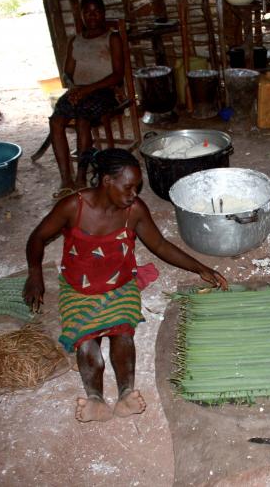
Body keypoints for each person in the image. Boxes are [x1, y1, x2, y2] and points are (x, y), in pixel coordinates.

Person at [23, 148, 228, 422]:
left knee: (122, 334)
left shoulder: (134, 211)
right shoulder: (74, 206)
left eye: (137, 187)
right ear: (107, 181)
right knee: (86, 341)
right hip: (78, 288)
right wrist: (34, 274)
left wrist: (201, 268)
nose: (134, 194)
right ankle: (95, 397)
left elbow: (159, 245)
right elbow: (37, 238)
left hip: (120, 286)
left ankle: (125, 393)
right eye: (128, 187)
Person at [49, 0, 123, 199]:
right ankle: (66, 178)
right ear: (81, 15)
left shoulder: (112, 37)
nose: (92, 16)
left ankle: (81, 177)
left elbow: (118, 74)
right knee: (56, 122)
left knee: (83, 120)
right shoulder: (75, 41)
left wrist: (87, 89)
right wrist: (74, 89)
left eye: (96, 11)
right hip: (79, 91)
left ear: (103, 13)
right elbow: (67, 73)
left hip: (103, 91)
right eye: (87, 12)